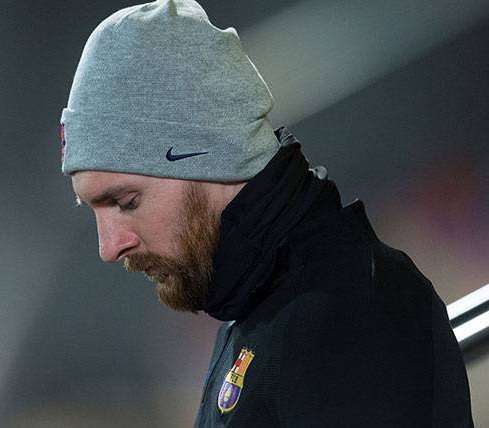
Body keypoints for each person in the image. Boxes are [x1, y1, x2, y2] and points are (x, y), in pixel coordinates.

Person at [58, 0, 474, 426]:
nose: (109, 247)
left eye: (127, 202)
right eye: (92, 208)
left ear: (207, 158)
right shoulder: (257, 307)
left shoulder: (346, 318)